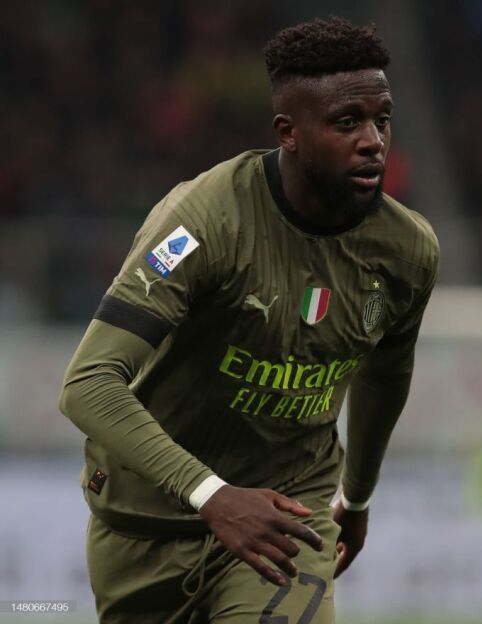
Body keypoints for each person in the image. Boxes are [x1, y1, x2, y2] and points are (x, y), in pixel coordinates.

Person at [58, 16, 438, 624]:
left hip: (288, 521)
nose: (373, 141)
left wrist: (357, 495)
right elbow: (89, 383)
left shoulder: (407, 250)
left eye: (382, 119)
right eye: (348, 122)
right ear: (289, 133)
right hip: (145, 524)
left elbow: (385, 375)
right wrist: (213, 495)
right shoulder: (201, 223)